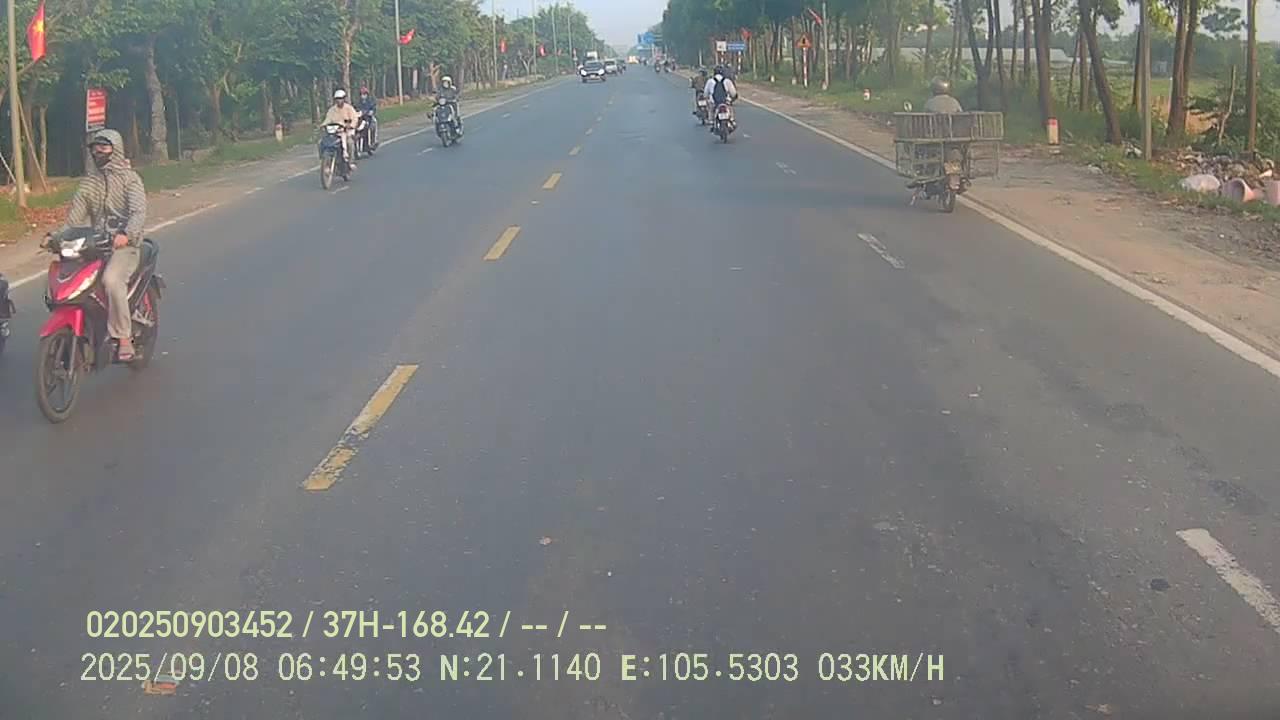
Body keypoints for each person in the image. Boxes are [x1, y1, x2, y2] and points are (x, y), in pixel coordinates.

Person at [54, 129, 147, 361]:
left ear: (116, 149)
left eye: (104, 147)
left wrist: (126, 234)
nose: (98, 152)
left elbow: (138, 212)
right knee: (70, 276)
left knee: (111, 280)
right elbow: (74, 220)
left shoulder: (130, 179)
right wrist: (56, 237)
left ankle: (123, 337)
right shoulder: (88, 184)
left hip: (125, 246)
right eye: (95, 148)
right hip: (95, 245)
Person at [323, 88, 360, 169]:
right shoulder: (332, 110)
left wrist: (351, 125)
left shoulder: (349, 108)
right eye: (337, 99)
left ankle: (350, 161)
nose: (339, 101)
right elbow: (328, 119)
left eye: (340, 98)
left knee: (349, 142)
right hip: (335, 132)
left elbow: (354, 118)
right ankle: (326, 161)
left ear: (344, 99)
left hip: (347, 131)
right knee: (322, 142)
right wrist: (323, 125)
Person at [704, 66, 739, 131]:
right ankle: (732, 121)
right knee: (730, 109)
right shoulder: (727, 81)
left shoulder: (710, 81)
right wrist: (732, 99)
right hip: (725, 101)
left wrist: (707, 98)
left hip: (714, 102)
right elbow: (733, 93)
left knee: (710, 109)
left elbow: (705, 93)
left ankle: (711, 121)